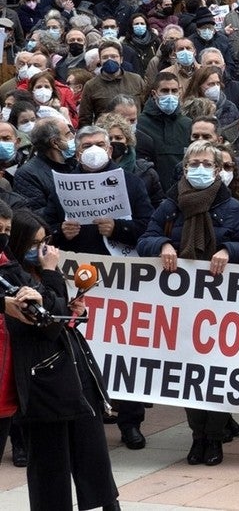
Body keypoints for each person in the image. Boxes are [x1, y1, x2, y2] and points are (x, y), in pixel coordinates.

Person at [137, 141, 239, 467]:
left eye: (207, 164)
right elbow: (144, 240)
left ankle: (214, 438)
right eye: (194, 164)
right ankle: (197, 435)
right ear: (185, 167)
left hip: (221, 307)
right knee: (189, 375)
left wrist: (228, 251)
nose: (200, 169)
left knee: (216, 374)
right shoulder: (170, 205)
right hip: (181, 307)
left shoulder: (231, 207)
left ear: (218, 170)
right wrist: (162, 243)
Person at [4, 206, 120, 511]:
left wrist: (71, 308)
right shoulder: (11, 274)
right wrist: (54, 275)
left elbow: (58, 312)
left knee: (92, 452)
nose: (42, 251)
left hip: (72, 372)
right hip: (41, 380)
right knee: (49, 465)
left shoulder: (37, 271)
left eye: (45, 242)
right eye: (33, 244)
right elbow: (45, 321)